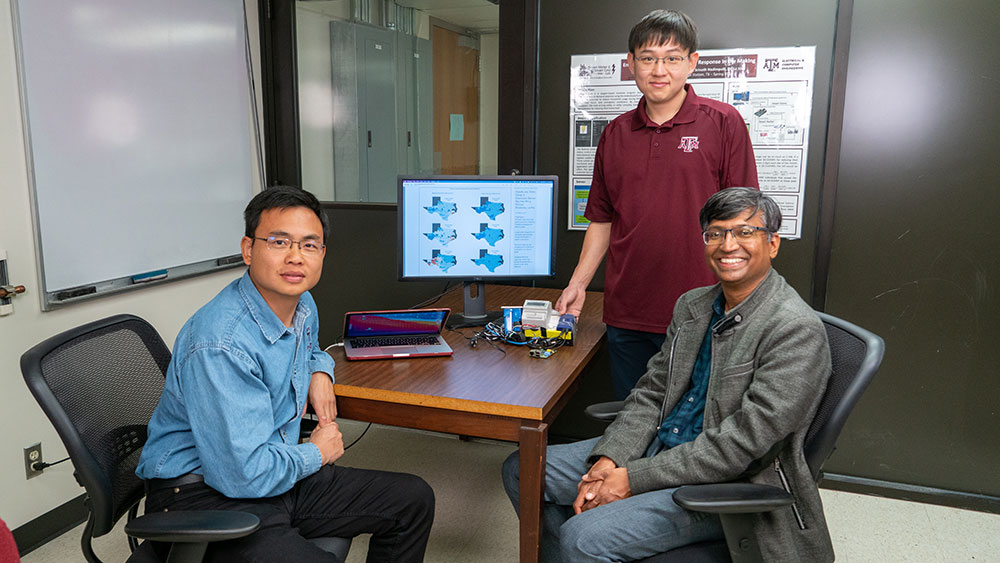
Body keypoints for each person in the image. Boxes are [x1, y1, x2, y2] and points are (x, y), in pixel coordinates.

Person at [504, 188, 834, 562]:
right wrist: (611, 458)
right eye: (716, 233)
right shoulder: (694, 305)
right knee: (524, 470)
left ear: (772, 243)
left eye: (745, 232)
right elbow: (653, 393)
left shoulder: (793, 329)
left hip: (725, 480)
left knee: (582, 538)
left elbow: (740, 447)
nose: (728, 245)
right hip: (659, 445)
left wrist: (632, 478)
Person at [136, 186, 434, 562]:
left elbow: (309, 350)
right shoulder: (220, 344)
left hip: (276, 471)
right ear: (248, 249)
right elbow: (241, 476)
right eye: (279, 242)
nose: (296, 257)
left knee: (412, 499)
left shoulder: (301, 302)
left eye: (309, 245)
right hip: (205, 495)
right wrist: (316, 452)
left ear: (322, 254)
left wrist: (320, 370)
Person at [557, 9, 759, 400]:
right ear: (630, 64)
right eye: (648, 58)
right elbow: (602, 220)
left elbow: (744, 218)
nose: (659, 70)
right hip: (627, 311)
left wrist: (741, 299)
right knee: (630, 418)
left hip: (702, 309)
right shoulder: (615, 132)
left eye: (672, 58)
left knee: (692, 427)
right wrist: (578, 284)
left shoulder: (722, 122)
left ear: (692, 63)